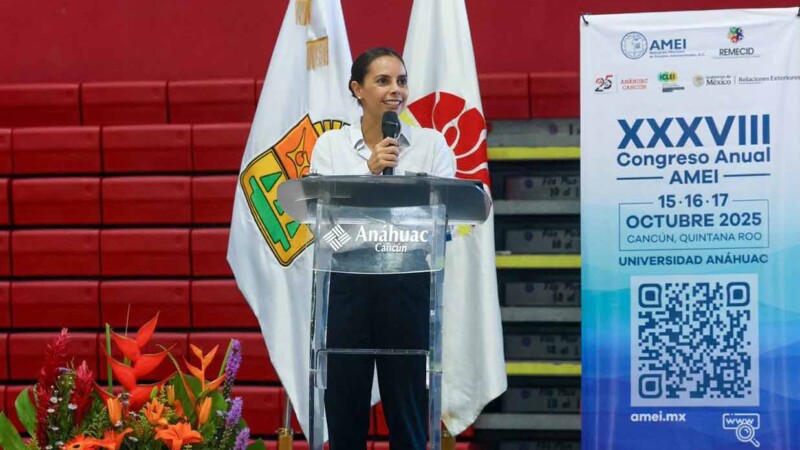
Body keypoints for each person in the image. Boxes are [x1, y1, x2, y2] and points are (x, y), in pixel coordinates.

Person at [309, 47, 456, 450]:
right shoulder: (331, 146)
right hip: (347, 284)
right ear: (357, 89)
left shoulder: (431, 145)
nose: (396, 90)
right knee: (344, 408)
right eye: (383, 81)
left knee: (408, 410)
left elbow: (441, 224)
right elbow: (327, 228)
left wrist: (376, 230)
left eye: (401, 81)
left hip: (408, 282)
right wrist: (368, 173)